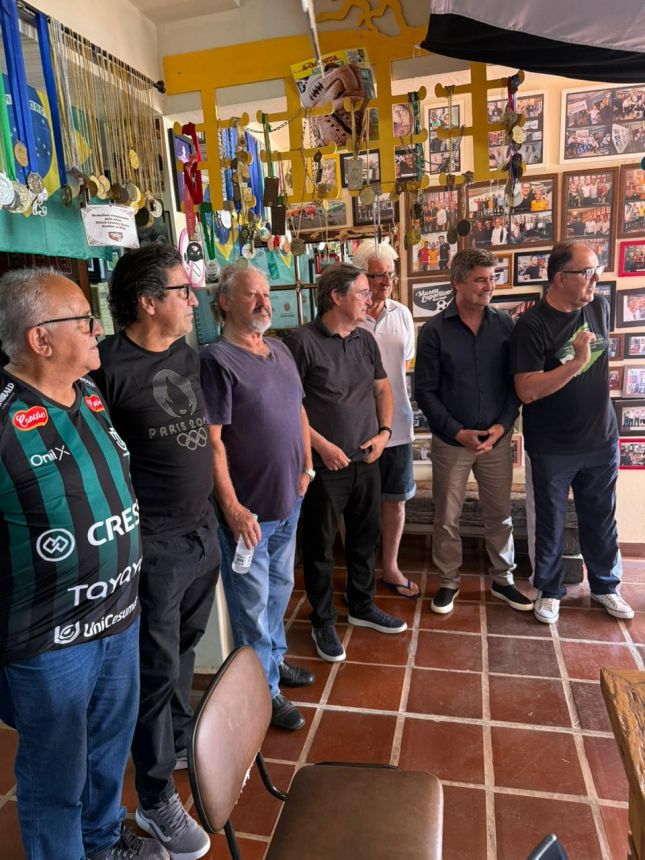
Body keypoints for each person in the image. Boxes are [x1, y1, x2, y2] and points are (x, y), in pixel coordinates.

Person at [0, 268, 167, 860]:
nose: (99, 328)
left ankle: (101, 839)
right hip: (51, 641)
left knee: (108, 749)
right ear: (40, 339)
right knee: (55, 774)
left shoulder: (90, 392)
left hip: (119, 618)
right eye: (84, 320)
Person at [93, 245, 220, 860]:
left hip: (202, 533)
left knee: (184, 654)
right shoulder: (106, 370)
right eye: (181, 291)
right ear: (148, 302)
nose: (193, 300)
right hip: (156, 546)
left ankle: (175, 741)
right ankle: (154, 796)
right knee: (154, 671)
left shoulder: (185, 354)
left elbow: (201, 439)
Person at [200, 265, 315, 732]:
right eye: (252, 295)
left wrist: (307, 468)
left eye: (266, 294)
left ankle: (275, 661)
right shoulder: (216, 360)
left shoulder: (281, 349)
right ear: (225, 301)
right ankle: (264, 692)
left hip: (289, 500)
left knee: (280, 591)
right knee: (251, 606)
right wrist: (231, 508)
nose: (264, 303)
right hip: (248, 515)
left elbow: (299, 411)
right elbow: (212, 442)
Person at [284, 263, 406, 662]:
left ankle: (362, 605)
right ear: (336, 297)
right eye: (363, 293)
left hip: (366, 458)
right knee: (319, 545)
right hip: (325, 466)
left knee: (363, 538)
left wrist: (384, 433)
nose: (370, 299)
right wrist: (321, 447)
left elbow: (382, 389)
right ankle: (322, 620)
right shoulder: (301, 342)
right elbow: (291, 405)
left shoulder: (365, 340)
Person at [512, 242, 634, 624]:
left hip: (601, 439)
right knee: (550, 521)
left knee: (601, 517)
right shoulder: (531, 325)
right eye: (587, 272)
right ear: (560, 278)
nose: (596, 279)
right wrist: (577, 362)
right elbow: (527, 390)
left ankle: (605, 586)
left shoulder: (598, 307)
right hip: (553, 446)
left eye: (597, 270)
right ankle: (549, 591)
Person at [414, 249, 533, 615]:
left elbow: (515, 384)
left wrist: (502, 426)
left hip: (496, 440)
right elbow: (425, 392)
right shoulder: (434, 331)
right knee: (446, 517)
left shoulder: (505, 325)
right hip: (452, 443)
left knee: (500, 514)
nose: (489, 286)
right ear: (458, 283)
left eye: (492, 278)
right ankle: (448, 581)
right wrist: (457, 432)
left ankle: (503, 579)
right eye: (481, 279)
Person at [353, 240, 420, 599]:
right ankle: (359, 571)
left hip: (398, 425)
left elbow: (402, 365)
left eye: (390, 274)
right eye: (377, 275)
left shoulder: (403, 314)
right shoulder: (350, 316)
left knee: (395, 499)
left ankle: (391, 566)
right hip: (357, 427)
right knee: (357, 504)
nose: (386, 282)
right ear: (361, 276)